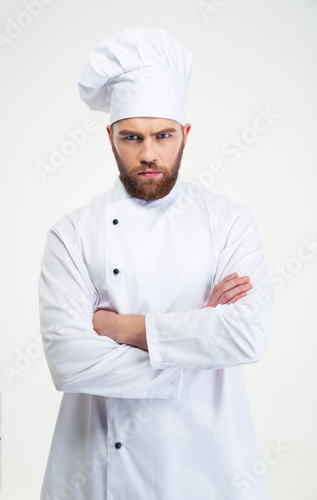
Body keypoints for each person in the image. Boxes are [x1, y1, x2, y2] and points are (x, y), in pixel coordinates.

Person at [38, 27, 273, 500]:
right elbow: (69, 362)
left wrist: (119, 327)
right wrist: (200, 336)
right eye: (132, 137)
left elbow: (247, 335)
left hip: (208, 464)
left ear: (185, 135)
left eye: (163, 135)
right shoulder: (73, 233)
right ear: (110, 137)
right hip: (99, 468)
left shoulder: (229, 222)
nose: (148, 154)